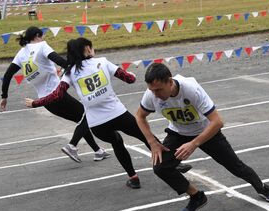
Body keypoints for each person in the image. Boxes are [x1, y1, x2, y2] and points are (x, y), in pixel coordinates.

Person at [26, 38, 190, 189]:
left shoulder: (69, 73)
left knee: (116, 142)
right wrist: (131, 75)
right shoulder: (102, 62)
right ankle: (173, 164)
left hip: (97, 124)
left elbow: (57, 95)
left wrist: (36, 103)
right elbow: (129, 79)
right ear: (88, 49)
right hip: (118, 113)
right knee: (145, 136)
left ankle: (133, 178)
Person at [135, 62, 269, 211]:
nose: (155, 94)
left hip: (206, 132)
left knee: (235, 166)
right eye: (152, 90)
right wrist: (152, 142)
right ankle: (196, 197)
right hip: (178, 132)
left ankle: (262, 187)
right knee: (160, 167)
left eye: (158, 90)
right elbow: (139, 116)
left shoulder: (191, 90)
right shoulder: (151, 94)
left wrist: (194, 143)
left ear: (170, 82)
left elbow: (217, 121)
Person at [1, 26, 109, 163]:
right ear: (37, 36)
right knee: (88, 114)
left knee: (81, 120)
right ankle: (72, 145)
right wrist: (82, 65)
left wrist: (4, 96)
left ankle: (98, 151)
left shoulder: (21, 54)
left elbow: (8, 74)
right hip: (57, 95)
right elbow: (60, 61)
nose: (43, 38)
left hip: (45, 101)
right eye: (42, 36)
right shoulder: (42, 45)